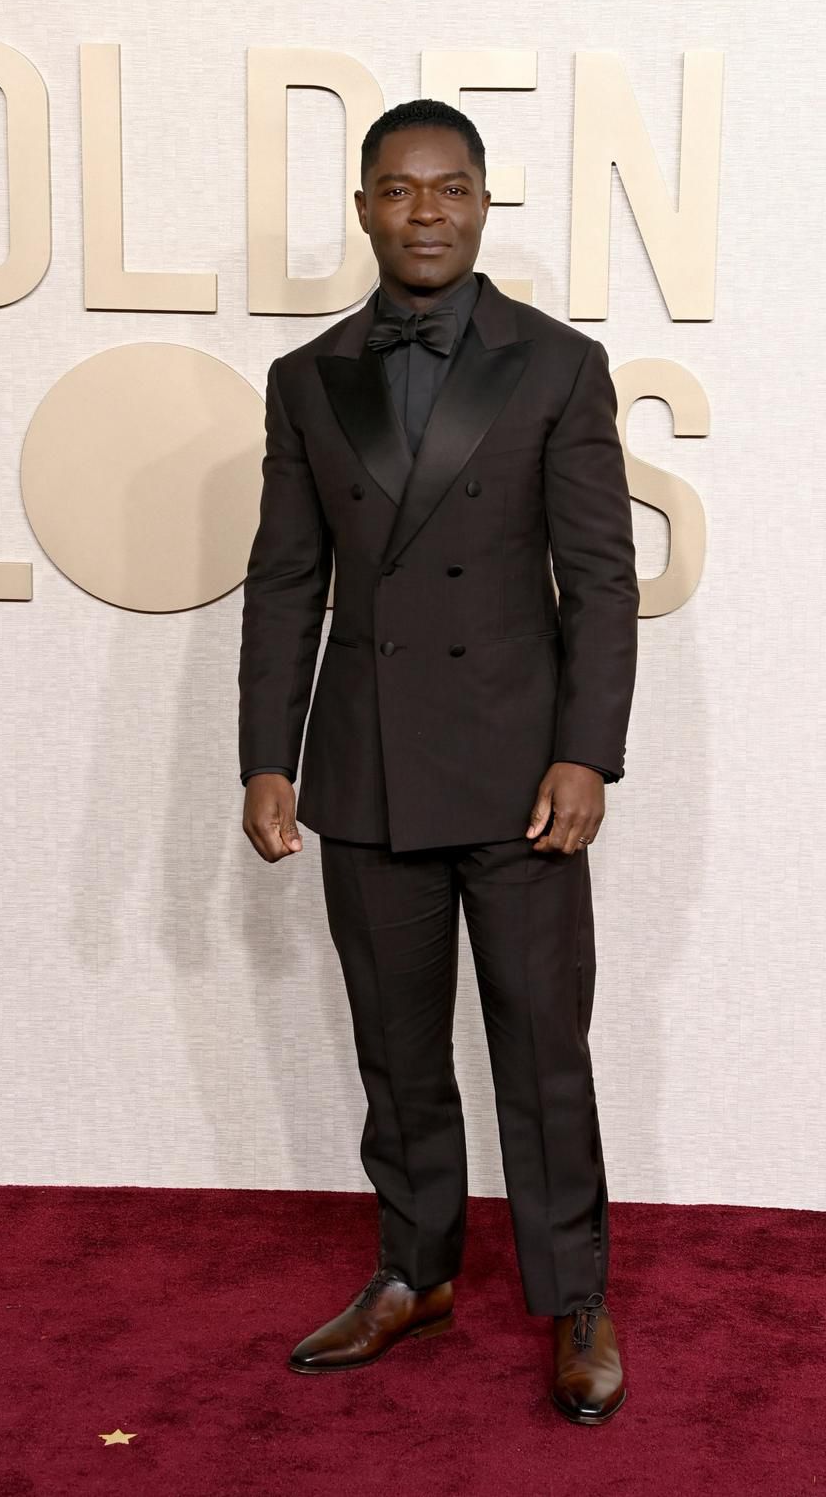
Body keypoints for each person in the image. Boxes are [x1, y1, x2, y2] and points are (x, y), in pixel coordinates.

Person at [238, 98, 639, 1426]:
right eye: (399, 190)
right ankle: (413, 1268)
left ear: (481, 204)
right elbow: (288, 580)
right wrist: (266, 755)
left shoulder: (558, 365)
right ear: (364, 208)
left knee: (541, 1047)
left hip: (526, 780)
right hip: (367, 770)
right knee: (396, 1048)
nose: (426, 211)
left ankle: (574, 1295)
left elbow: (599, 577)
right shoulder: (309, 380)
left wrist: (588, 752)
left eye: (450, 187)